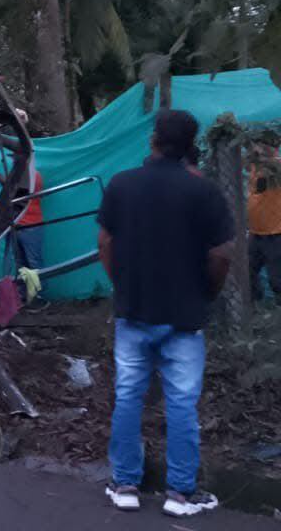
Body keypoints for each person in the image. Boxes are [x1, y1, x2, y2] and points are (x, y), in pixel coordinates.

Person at [97, 110, 234, 517]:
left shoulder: (122, 185)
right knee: (181, 403)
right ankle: (179, 495)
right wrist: (206, 291)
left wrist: (120, 284)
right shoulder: (204, 192)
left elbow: (105, 240)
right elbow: (222, 254)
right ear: (192, 146)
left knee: (127, 396)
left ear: (153, 140)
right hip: (185, 317)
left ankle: (124, 485)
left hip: (134, 311)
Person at [0, 155, 45, 271]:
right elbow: (11, 187)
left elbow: (15, 189)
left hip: (30, 225)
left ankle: (40, 289)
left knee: (34, 263)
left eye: (16, 159)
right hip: (15, 225)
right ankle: (24, 289)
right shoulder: (19, 176)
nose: (13, 162)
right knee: (21, 265)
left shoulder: (33, 176)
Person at [247, 142, 281, 301]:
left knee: (277, 280)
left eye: (262, 145)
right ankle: (257, 305)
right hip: (256, 232)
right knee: (247, 270)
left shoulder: (277, 166)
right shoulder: (255, 166)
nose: (257, 149)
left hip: (275, 233)